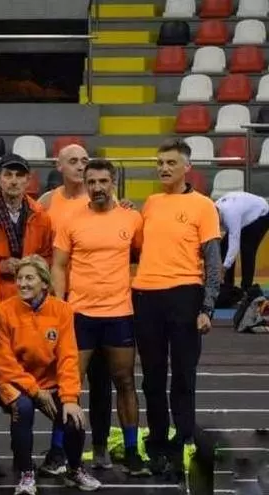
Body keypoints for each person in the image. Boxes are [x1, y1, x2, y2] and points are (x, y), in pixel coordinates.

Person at [51, 159, 149, 475]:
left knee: (125, 381)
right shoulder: (70, 219)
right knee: (68, 384)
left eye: (103, 181)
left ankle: (132, 451)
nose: (97, 187)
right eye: (91, 182)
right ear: (86, 184)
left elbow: (143, 255)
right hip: (80, 314)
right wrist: (59, 306)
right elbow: (58, 265)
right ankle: (57, 450)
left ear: (113, 182)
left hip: (119, 314)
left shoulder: (132, 218)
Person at [132, 138, 221, 480]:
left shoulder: (203, 206)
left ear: (187, 167)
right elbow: (140, 247)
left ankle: (182, 439)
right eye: (160, 163)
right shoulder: (151, 203)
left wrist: (208, 307)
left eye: (171, 162)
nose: (164, 168)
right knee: (152, 377)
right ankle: (157, 442)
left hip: (185, 295)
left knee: (184, 374)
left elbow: (212, 262)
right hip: (146, 296)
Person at [0, 255, 101, 494]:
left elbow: (68, 357)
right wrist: (34, 390)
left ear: (44, 282)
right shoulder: (4, 311)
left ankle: (74, 469)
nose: (22, 284)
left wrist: (70, 398)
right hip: (15, 382)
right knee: (23, 408)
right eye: (20, 278)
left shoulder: (62, 310)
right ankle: (26, 473)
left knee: (73, 417)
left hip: (49, 383)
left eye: (29, 278)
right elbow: (4, 361)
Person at [38, 143, 114, 471]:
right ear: (59, 166)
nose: (80, 166)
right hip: (61, 302)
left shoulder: (103, 199)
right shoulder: (46, 202)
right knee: (65, 379)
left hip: (101, 304)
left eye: (85, 160)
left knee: (101, 380)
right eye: (73, 161)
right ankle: (59, 449)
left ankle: (100, 446)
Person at [0, 154, 53, 301]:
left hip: (31, 293)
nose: (14, 181)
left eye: (19, 175)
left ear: (28, 180)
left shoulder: (41, 215)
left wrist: (31, 266)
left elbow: (48, 256)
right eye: (8, 175)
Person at [215, 191, 269, 289]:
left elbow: (234, 245)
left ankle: (246, 288)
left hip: (262, 213)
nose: (218, 225)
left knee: (247, 248)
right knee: (224, 246)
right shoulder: (215, 209)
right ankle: (228, 286)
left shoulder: (231, 215)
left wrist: (224, 268)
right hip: (244, 214)